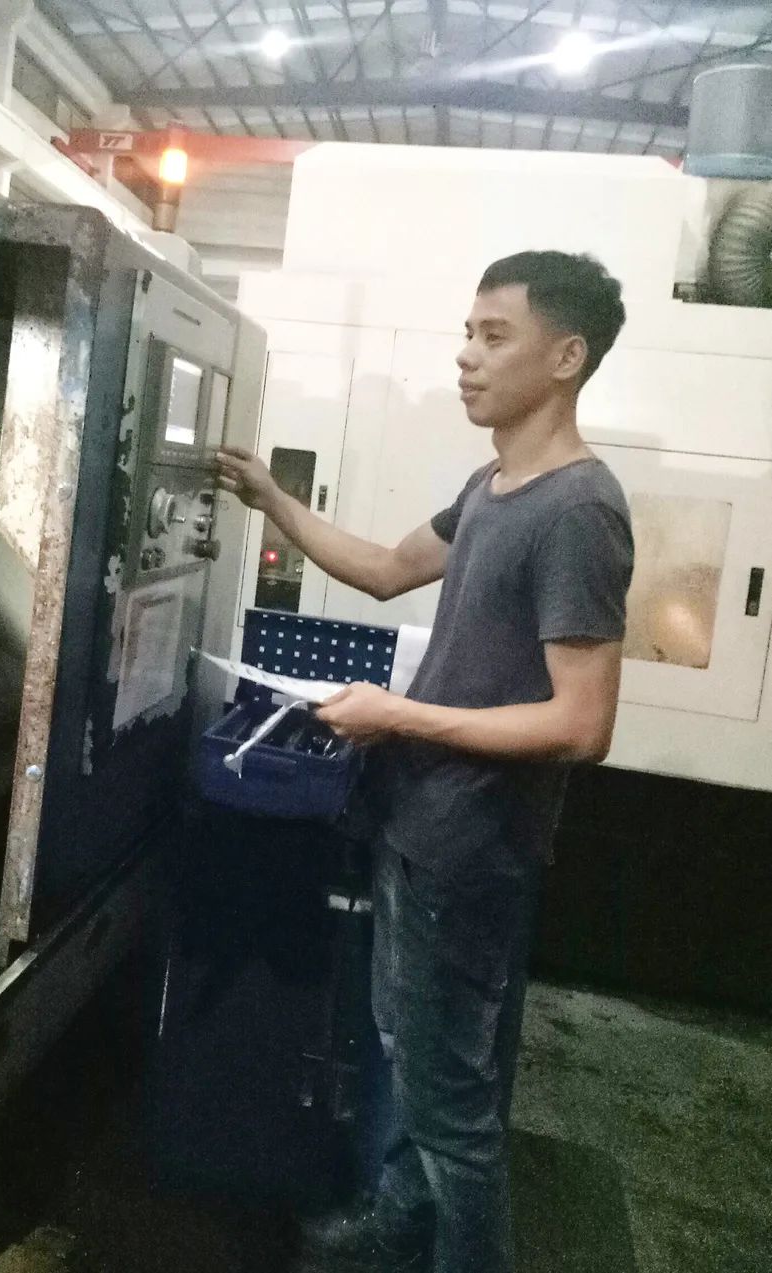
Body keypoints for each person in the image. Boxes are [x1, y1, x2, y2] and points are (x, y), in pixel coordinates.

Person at [216, 250, 634, 1273]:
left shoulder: (577, 510)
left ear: (566, 356)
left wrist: (400, 714)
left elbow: (582, 722)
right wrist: (273, 499)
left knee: (453, 1111)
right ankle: (397, 1235)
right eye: (466, 333)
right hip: (421, 826)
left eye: (494, 336)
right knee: (416, 1061)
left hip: (472, 849)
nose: (464, 357)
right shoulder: (493, 485)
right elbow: (386, 567)